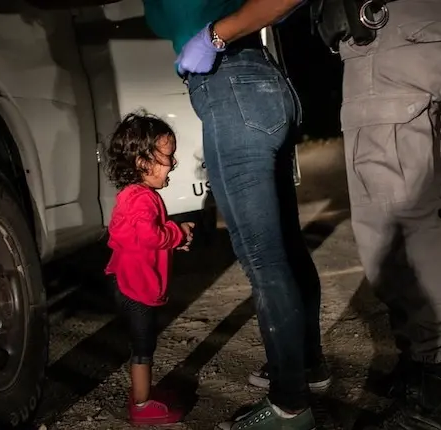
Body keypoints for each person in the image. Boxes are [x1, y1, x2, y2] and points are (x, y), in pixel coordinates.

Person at [175, 0, 441, 428]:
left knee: (392, 228)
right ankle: (420, 372)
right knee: (417, 218)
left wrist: (216, 35)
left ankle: (425, 405)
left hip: (394, 37)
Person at [143, 0, 331, 428]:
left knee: (263, 257)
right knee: (284, 246)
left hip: (231, 88)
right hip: (262, 85)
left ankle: (289, 405)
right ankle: (306, 366)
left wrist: (214, 36)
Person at [104, 112, 195, 425]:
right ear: (142, 162)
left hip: (127, 281)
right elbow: (148, 235)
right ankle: (141, 405)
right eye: (167, 157)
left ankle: (142, 393)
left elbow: (139, 237)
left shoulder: (133, 196)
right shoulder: (141, 199)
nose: (172, 163)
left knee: (141, 344)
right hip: (135, 287)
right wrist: (177, 233)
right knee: (143, 347)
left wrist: (173, 239)